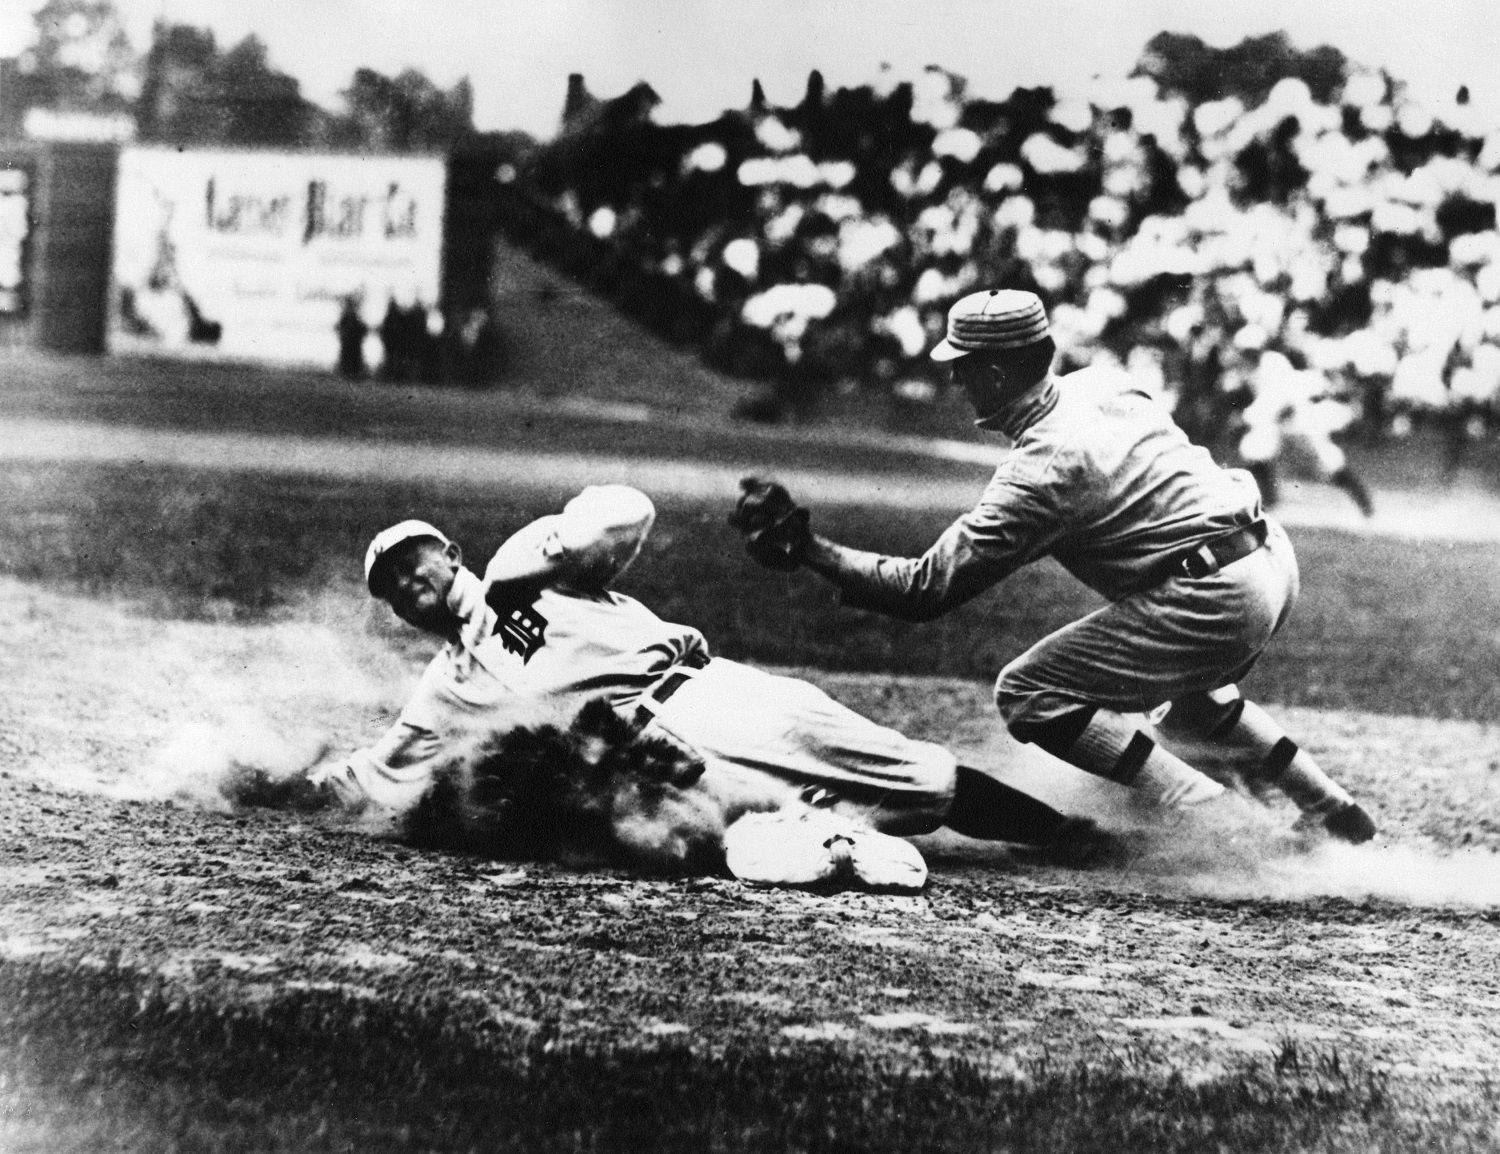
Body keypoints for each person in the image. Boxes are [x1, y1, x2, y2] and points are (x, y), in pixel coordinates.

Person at [728, 289, 1376, 844]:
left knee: (1028, 694)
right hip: (1267, 558)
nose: (955, 380)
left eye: (966, 365)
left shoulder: (1041, 471)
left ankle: (1209, 819)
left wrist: (813, 551)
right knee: (1189, 699)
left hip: (1210, 591)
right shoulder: (1107, 381)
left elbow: (923, 591)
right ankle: (1329, 807)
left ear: (1002, 373)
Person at [308, 484, 1122, 885]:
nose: (415, 589)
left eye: (418, 567)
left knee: (910, 771)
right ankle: (862, 851)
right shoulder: (444, 687)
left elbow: (626, 513)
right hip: (661, 757)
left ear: (450, 552)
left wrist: (543, 552)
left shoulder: (535, 567)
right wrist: (298, 782)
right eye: (397, 590)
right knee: (786, 838)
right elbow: (382, 767)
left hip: (710, 693)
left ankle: (1062, 835)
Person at [1235, 349, 1375, 518]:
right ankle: (1269, 499)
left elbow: (1279, 403)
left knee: (1329, 462)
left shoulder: (1283, 372)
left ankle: (1364, 504)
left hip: (1302, 425)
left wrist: (1249, 416)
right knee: (1254, 449)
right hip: (1281, 425)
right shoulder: (1265, 375)